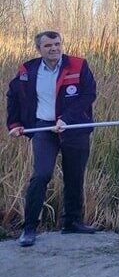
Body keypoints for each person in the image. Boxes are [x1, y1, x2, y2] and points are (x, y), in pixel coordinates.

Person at [6, 31, 98, 247]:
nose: (54, 48)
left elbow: (88, 95)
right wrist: (15, 124)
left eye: (57, 44)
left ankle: (72, 223)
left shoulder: (78, 65)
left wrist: (66, 119)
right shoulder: (27, 70)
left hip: (74, 128)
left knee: (74, 176)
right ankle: (29, 229)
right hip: (43, 128)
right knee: (41, 174)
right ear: (39, 49)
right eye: (48, 46)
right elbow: (13, 96)